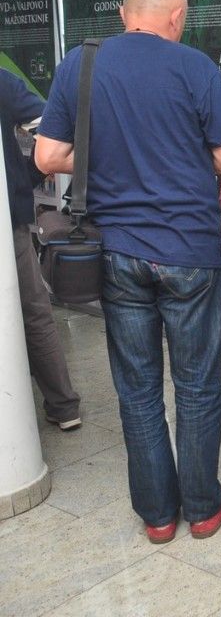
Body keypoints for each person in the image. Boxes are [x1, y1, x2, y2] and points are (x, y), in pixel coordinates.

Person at [36, 0, 221, 542]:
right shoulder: (193, 66)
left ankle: (157, 516)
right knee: (197, 384)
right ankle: (202, 507)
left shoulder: (80, 65)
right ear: (176, 18)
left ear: (124, 15)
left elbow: (48, 156)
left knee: (136, 388)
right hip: (189, 251)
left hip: (117, 251)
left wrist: (106, 156)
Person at [1, 70, 82, 432]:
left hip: (8, 216)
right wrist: (26, 175)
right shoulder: (1, 81)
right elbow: (46, 123)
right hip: (6, 218)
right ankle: (64, 406)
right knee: (33, 311)